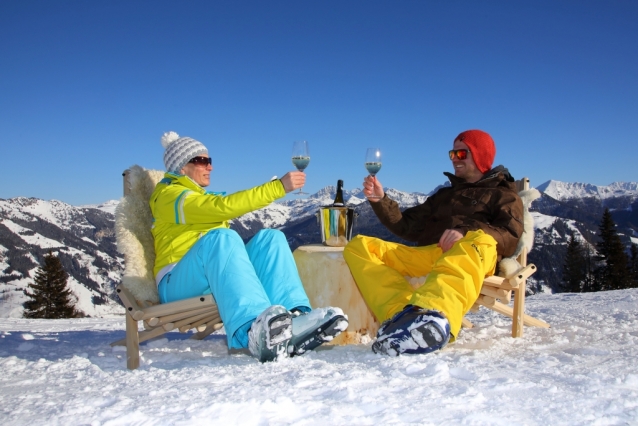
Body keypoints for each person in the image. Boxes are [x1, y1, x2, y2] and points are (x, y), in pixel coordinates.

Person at [150, 131, 348, 362]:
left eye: (209, 161)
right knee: (222, 238)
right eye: (202, 161)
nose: (210, 167)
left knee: (270, 238)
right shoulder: (170, 196)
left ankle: (294, 316)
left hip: (207, 275)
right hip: (176, 281)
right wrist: (278, 187)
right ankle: (254, 330)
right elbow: (222, 207)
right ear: (181, 167)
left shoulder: (192, 195)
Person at [343, 129, 523, 356]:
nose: (454, 159)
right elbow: (407, 226)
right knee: (359, 246)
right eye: (452, 153)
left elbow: (510, 235)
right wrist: (381, 200)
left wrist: (465, 232)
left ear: (480, 156)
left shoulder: (504, 195)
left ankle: (435, 314)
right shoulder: (444, 195)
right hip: (433, 253)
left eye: (461, 154)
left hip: (472, 255)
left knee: (481, 240)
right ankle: (404, 317)